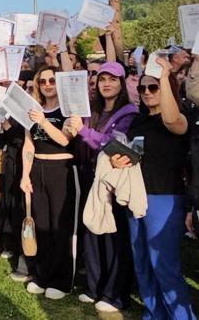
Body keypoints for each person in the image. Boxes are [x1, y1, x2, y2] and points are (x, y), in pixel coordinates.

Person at [111, 59, 196, 319]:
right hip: (136, 196)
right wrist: (118, 160)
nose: (147, 92)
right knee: (142, 262)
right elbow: (132, 154)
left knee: (164, 265)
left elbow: (171, 119)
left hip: (165, 198)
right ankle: (154, 313)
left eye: (154, 87)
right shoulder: (138, 122)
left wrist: (166, 75)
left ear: (166, 88)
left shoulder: (180, 118)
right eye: (143, 88)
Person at [66, 61, 137, 312]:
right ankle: (93, 287)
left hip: (113, 180)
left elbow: (113, 144)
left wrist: (83, 132)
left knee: (113, 237)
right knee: (92, 231)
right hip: (89, 176)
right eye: (102, 79)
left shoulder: (129, 112)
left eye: (112, 79)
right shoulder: (92, 109)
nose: (106, 84)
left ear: (122, 83)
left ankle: (115, 294)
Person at [20, 66, 79, 300]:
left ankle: (62, 280)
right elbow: (29, 144)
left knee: (60, 226)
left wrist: (44, 122)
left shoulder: (69, 110)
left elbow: (65, 139)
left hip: (61, 169)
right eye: (42, 81)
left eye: (52, 80)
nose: (47, 85)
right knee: (42, 225)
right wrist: (25, 175)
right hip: (37, 169)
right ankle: (42, 275)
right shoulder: (33, 110)